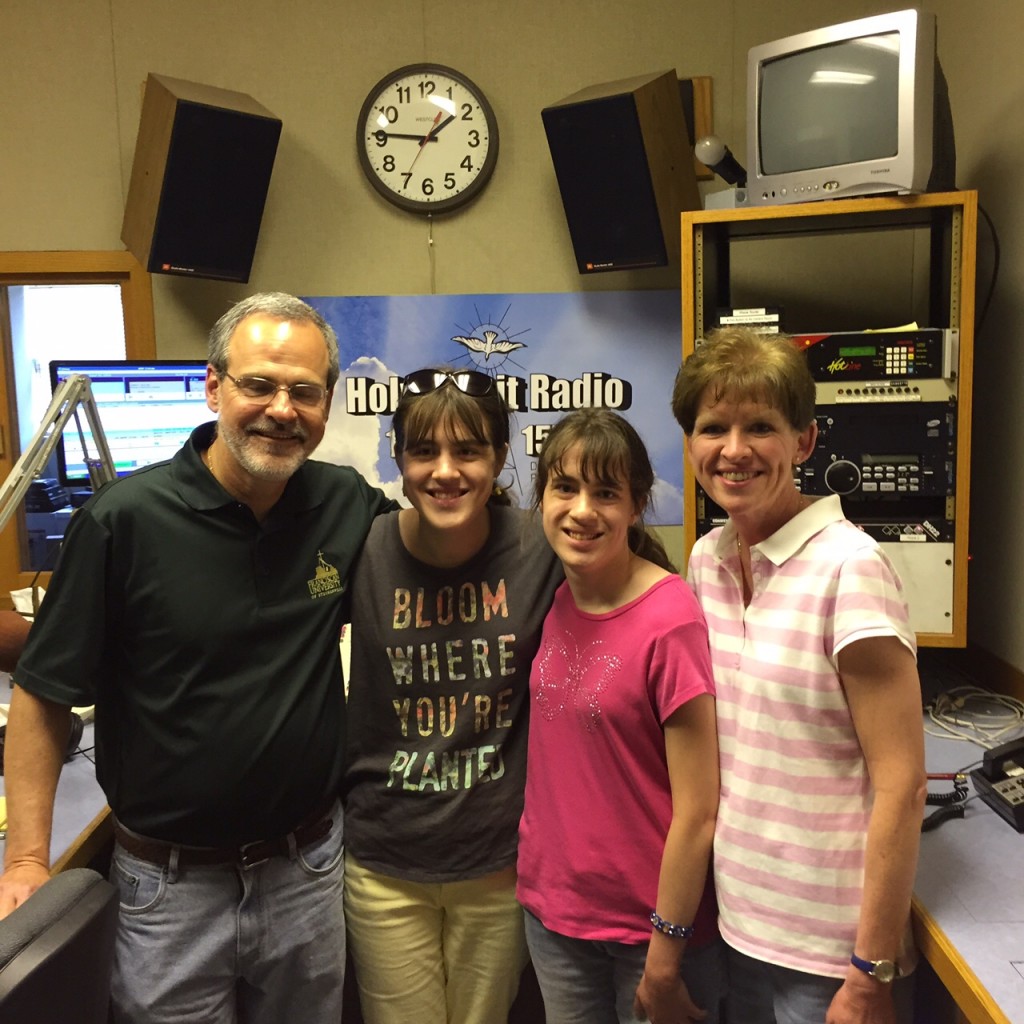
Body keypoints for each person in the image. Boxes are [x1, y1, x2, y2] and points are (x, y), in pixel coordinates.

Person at [0, 292, 397, 1024]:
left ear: (328, 403)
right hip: (168, 890)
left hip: (306, 871)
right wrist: (26, 861)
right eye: (259, 384)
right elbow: (42, 693)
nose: (282, 408)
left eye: (304, 392)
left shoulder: (346, 506)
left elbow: (435, 565)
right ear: (215, 386)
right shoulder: (123, 523)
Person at [671, 326, 928, 1024]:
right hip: (739, 931)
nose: (734, 449)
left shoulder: (852, 569)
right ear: (691, 445)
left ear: (805, 442)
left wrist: (871, 970)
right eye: (712, 427)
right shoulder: (706, 561)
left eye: (760, 426)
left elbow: (901, 785)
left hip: (831, 957)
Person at [342, 367, 563, 1024]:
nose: (445, 471)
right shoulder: (365, 546)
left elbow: (639, 599)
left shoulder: (542, 544)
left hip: (497, 861)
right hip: (384, 862)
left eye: (468, 450)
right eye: (423, 451)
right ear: (397, 455)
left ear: (499, 456)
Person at [516, 407, 722, 1024]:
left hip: (653, 934)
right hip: (556, 920)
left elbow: (698, 811)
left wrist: (664, 957)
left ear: (635, 507)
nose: (583, 511)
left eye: (606, 493)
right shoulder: (554, 597)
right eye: (565, 487)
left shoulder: (671, 619)